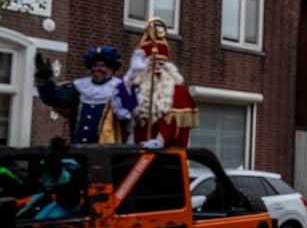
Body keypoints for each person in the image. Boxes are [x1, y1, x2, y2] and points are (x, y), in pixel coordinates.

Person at [35, 46, 137, 144]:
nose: (97, 68)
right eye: (94, 65)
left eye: (103, 65)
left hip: (109, 152)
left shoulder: (120, 90)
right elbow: (54, 100)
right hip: (78, 150)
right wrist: (45, 80)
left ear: (112, 68)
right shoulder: (79, 88)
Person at [125, 18, 198, 148]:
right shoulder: (136, 88)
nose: (157, 67)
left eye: (161, 63)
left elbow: (177, 125)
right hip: (136, 150)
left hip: (164, 153)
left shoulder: (179, 91)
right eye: (152, 64)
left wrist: (160, 140)